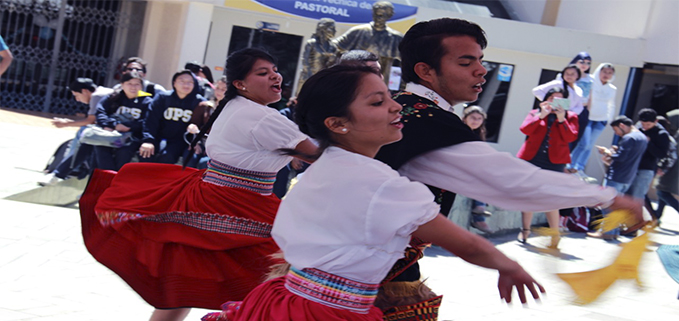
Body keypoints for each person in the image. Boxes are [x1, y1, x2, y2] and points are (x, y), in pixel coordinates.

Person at [205, 64, 546, 321]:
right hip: (327, 313)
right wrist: (508, 266)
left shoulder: (324, 165)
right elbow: (466, 243)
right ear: (338, 123)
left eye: (390, 97)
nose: (396, 107)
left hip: (282, 300)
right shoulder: (383, 185)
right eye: (378, 102)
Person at [371, 18, 642, 318]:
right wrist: (609, 197)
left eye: (480, 60)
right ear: (425, 71)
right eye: (465, 62)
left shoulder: (401, 108)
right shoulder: (430, 124)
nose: (481, 70)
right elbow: (512, 182)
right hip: (367, 278)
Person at [79, 48, 317, 321]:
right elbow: (320, 156)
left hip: (207, 199)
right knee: (285, 277)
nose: (275, 76)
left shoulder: (235, 106)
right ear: (240, 84)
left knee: (179, 294)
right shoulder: (264, 117)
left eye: (275, 70)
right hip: (234, 204)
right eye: (263, 73)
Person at [517, 87, 579, 248]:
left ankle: (554, 234)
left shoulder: (571, 117)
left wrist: (561, 119)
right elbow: (525, 129)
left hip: (555, 161)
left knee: (551, 198)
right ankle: (525, 230)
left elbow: (570, 137)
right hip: (532, 158)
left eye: (559, 99)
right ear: (546, 99)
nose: (554, 102)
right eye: (552, 98)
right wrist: (541, 115)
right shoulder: (535, 112)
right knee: (528, 195)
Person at [39, 78, 113, 186]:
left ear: (85, 91)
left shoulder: (97, 96)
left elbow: (90, 120)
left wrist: (66, 124)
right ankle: (62, 172)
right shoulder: (103, 91)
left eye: (76, 95)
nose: (77, 100)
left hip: (114, 130)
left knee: (84, 134)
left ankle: (64, 171)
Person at [587, 116, 648, 240]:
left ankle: (607, 232)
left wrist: (607, 152)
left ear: (622, 125)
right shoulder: (642, 137)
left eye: (616, 130)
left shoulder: (629, 137)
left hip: (617, 175)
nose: (617, 134)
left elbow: (621, 157)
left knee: (609, 205)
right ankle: (613, 232)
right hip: (628, 177)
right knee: (617, 206)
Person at [139, 69, 206, 165]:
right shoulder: (162, 98)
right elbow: (150, 121)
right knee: (145, 154)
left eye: (190, 82)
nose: (186, 85)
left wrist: (196, 141)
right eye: (182, 81)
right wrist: (148, 140)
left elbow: (203, 125)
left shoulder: (199, 102)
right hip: (159, 137)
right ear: (174, 83)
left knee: (167, 156)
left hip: (182, 141)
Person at [93, 71, 153, 171]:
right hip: (111, 133)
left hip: (133, 137)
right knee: (100, 146)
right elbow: (100, 112)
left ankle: (115, 178)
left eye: (137, 84)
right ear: (122, 85)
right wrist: (113, 125)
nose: (133, 87)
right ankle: (107, 177)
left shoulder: (147, 101)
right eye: (129, 84)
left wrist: (129, 126)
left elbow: (148, 120)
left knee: (124, 152)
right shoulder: (113, 97)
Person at [333, 1, 403, 82]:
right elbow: (335, 46)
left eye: (382, 15)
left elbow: (407, 61)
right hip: (355, 79)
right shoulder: (359, 31)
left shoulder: (396, 38)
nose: (378, 18)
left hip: (380, 82)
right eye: (376, 14)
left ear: (389, 16)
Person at [569, 63, 617, 174]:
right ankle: (571, 164)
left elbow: (611, 104)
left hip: (601, 120)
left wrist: (609, 119)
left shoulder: (612, 88)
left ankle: (579, 168)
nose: (606, 75)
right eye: (604, 71)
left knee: (590, 145)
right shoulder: (591, 83)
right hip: (588, 118)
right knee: (584, 143)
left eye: (610, 73)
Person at [626, 108, 670, 201]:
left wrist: (648, 142)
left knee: (637, 198)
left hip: (645, 169)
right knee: (625, 197)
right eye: (643, 124)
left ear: (656, 121)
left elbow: (661, 154)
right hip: (631, 167)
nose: (645, 127)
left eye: (648, 124)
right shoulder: (638, 129)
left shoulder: (661, 134)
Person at [462, 106, 494, 234]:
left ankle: (480, 211)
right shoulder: (460, 131)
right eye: (473, 118)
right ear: (465, 119)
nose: (476, 121)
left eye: (479, 119)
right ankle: (479, 215)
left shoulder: (479, 133)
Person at [184, 76, 227, 169]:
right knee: (189, 157)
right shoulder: (205, 105)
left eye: (223, 89)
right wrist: (195, 140)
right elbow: (193, 123)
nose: (219, 92)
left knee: (204, 163)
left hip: (220, 148)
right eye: (218, 88)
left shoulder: (232, 109)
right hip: (202, 142)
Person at [297, 18, 339, 91]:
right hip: (307, 77)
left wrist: (332, 59)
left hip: (321, 79)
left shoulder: (332, 47)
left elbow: (331, 66)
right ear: (323, 28)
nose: (335, 31)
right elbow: (305, 61)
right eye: (332, 28)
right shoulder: (312, 43)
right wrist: (310, 76)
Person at [653, 109, 679, 224]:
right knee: (663, 190)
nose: (669, 123)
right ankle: (657, 216)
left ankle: (656, 215)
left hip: (674, 168)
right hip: (673, 167)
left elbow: (674, 153)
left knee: (662, 192)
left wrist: (664, 167)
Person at [569, 52, 594, 147]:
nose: (585, 65)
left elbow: (590, 97)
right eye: (582, 62)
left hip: (582, 110)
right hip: (568, 109)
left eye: (588, 63)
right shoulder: (565, 75)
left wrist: (587, 111)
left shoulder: (590, 79)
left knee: (576, 137)